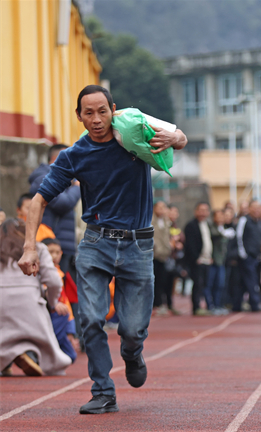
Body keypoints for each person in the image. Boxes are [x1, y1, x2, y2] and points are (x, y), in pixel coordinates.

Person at [17, 85, 187, 414]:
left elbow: (180, 138)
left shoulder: (134, 132)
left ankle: (132, 352)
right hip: (96, 242)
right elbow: (38, 201)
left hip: (139, 242)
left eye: (102, 111)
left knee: (133, 329)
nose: (97, 119)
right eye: (89, 113)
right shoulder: (73, 156)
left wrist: (171, 139)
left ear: (113, 110)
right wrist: (28, 247)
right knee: (90, 319)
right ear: (79, 117)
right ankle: (103, 391)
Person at [1, 218, 72, 377]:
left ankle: (7, 358)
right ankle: (30, 353)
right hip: (29, 302)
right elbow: (54, 281)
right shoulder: (38, 248)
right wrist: (52, 303)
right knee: (47, 348)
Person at [29, 144, 81, 276]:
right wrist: (77, 187)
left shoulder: (67, 180)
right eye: (70, 157)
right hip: (50, 245)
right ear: (56, 158)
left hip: (64, 246)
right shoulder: (42, 177)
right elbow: (63, 203)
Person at [41, 237, 79, 362]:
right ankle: (45, 350)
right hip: (45, 316)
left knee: (71, 357)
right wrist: (53, 304)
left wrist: (71, 332)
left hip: (58, 317)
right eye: (50, 252)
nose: (54, 256)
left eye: (57, 252)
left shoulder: (60, 274)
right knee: (61, 313)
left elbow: (66, 302)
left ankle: (52, 350)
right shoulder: (39, 273)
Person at [184, 202, 213, 316]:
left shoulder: (208, 224)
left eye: (205, 210)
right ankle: (196, 307)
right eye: (200, 210)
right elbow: (190, 244)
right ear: (195, 211)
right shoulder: (191, 225)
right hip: (197, 260)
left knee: (205, 284)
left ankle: (205, 305)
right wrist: (196, 257)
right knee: (197, 284)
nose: (203, 212)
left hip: (207, 259)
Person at [234, 200, 261, 312]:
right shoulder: (243, 220)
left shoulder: (259, 222)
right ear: (249, 208)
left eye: (258, 208)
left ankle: (236, 305)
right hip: (247, 257)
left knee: (243, 282)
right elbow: (239, 237)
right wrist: (243, 253)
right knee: (252, 281)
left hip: (256, 256)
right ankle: (255, 304)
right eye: (254, 207)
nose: (257, 210)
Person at [208, 209, 234, 315]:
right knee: (210, 284)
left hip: (222, 261)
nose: (220, 218)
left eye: (221, 216)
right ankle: (211, 306)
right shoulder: (212, 229)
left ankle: (218, 305)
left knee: (220, 284)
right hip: (213, 260)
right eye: (217, 216)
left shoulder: (225, 229)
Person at [152, 200, 175, 316]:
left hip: (165, 255)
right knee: (154, 281)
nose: (162, 210)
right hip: (154, 255)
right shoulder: (151, 221)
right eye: (159, 207)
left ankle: (162, 304)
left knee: (163, 281)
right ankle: (155, 304)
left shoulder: (166, 221)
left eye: (163, 207)